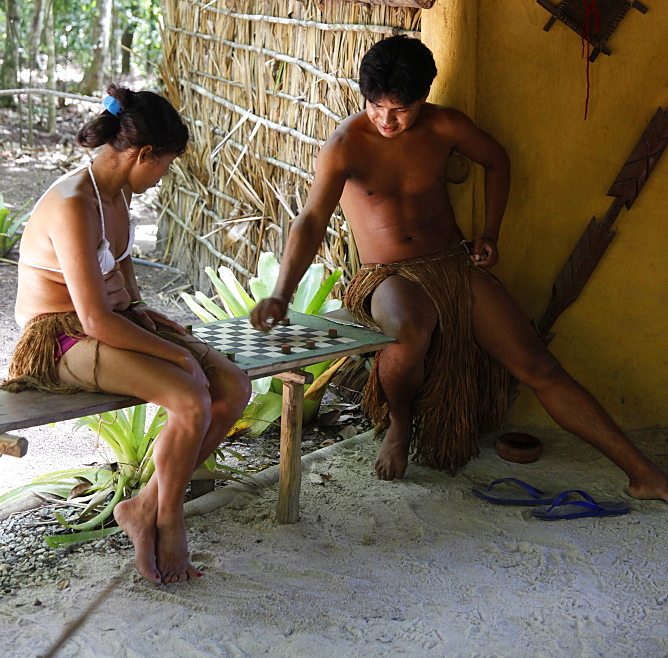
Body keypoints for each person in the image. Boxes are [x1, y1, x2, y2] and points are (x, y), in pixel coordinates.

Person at [251, 36, 668, 501]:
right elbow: (310, 220)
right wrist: (282, 294)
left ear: (424, 96)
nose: (386, 120)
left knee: (538, 365)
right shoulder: (345, 145)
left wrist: (491, 233)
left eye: (400, 109)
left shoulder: (445, 126)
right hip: (386, 275)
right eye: (376, 106)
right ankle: (400, 425)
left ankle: (643, 473)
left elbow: (497, 161)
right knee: (409, 332)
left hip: (451, 264)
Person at [3, 87, 251, 584]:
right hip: (58, 340)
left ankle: (144, 506)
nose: (163, 177)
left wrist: (153, 321)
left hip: (112, 324)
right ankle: (169, 518)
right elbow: (92, 320)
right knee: (189, 397)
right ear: (143, 155)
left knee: (232, 387)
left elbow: (124, 282)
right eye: (165, 166)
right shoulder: (75, 202)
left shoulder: (117, 195)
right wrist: (175, 357)